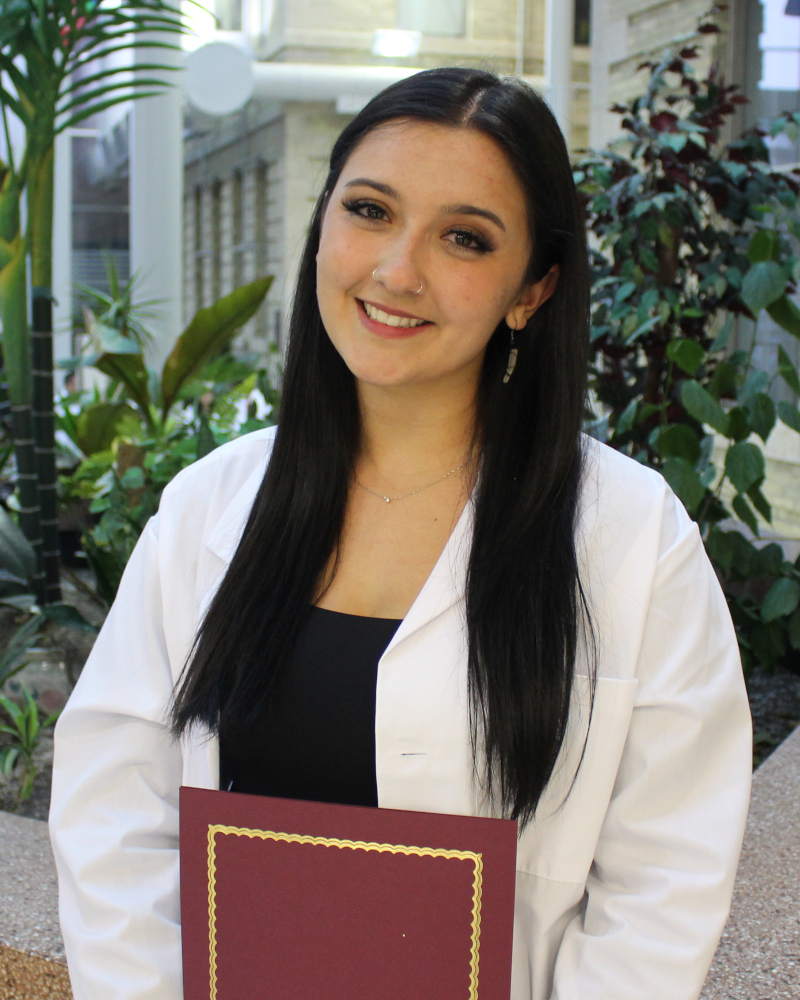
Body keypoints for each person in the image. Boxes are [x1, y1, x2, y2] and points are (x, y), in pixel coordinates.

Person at [49, 67, 751, 1000]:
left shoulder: (633, 538)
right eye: (370, 211)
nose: (397, 270)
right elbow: (114, 813)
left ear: (532, 290)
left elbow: (664, 880)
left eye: (464, 237)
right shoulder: (207, 508)